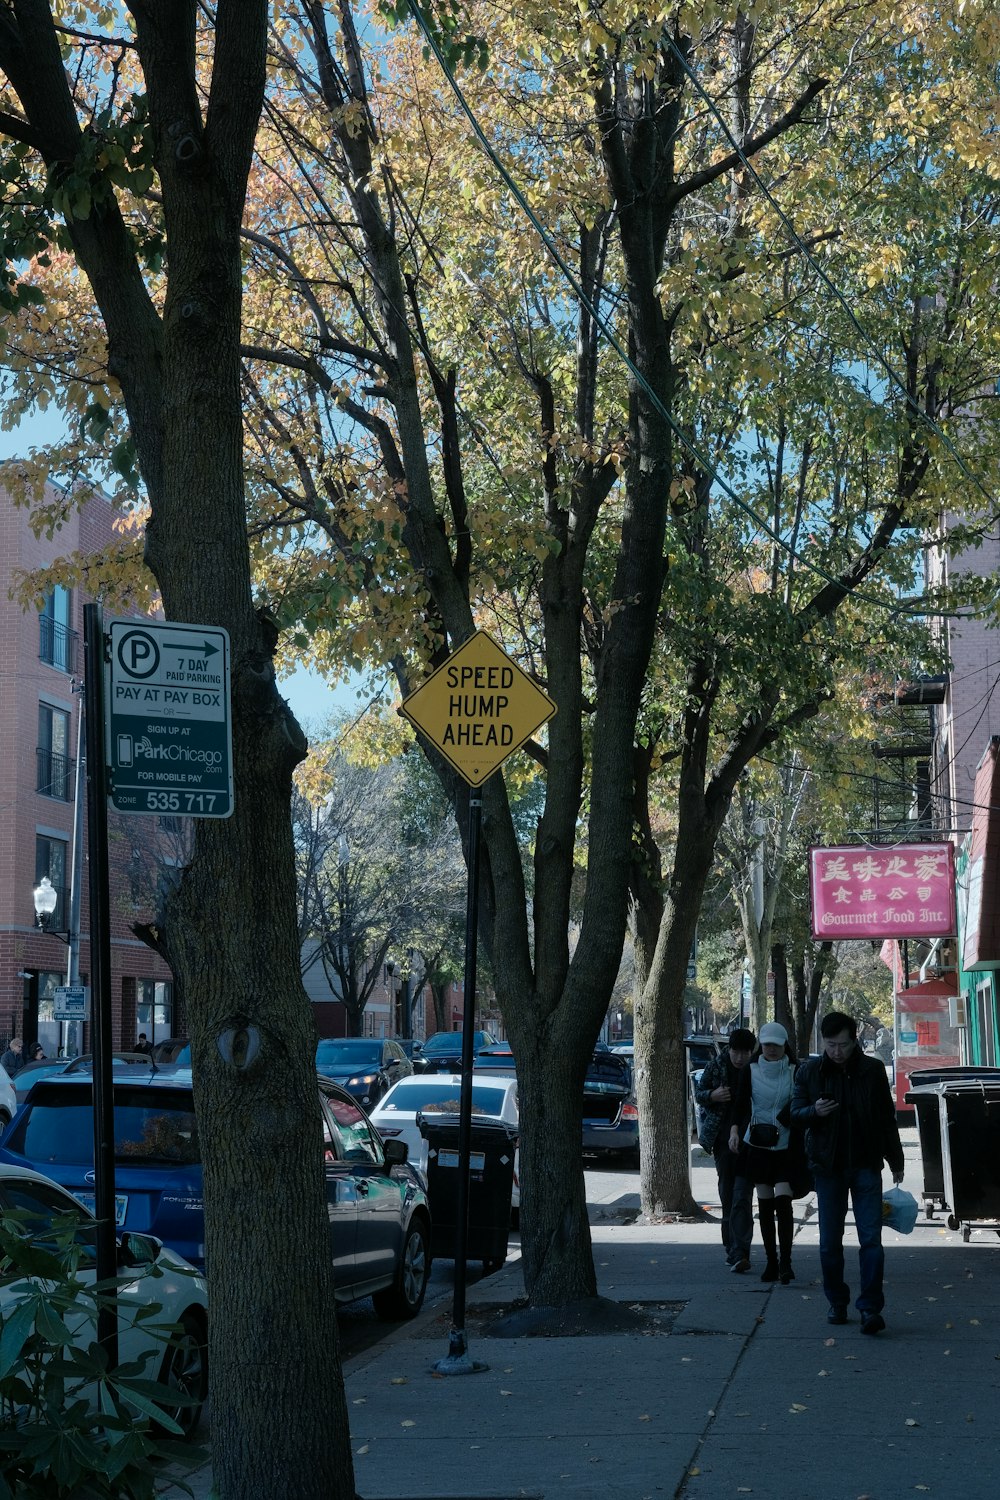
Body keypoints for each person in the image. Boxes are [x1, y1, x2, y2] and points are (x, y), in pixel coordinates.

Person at [791, 1010, 904, 1335]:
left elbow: (886, 1118)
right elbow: (795, 1114)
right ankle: (837, 1301)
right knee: (829, 1242)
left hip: (866, 1163)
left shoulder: (871, 1070)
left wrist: (895, 1158)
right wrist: (815, 1111)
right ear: (823, 1042)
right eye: (831, 1045)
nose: (837, 1052)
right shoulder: (811, 1071)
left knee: (871, 1240)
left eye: (842, 1045)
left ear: (854, 1041)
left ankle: (870, 1308)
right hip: (828, 1168)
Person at [731, 1021, 800, 1286]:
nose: (771, 1049)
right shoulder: (751, 1069)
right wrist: (735, 1131)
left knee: (784, 1203)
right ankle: (771, 1261)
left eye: (776, 1045)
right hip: (757, 1146)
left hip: (785, 1146)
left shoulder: (795, 1071)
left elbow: (802, 1100)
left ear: (784, 1046)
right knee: (765, 1204)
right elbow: (740, 1104)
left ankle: (786, 1263)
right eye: (767, 1044)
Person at [695, 1028, 756, 1272]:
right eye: (735, 1051)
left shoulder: (756, 1070)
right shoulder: (716, 1066)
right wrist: (713, 1095)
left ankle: (741, 1250)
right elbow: (699, 1095)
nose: (739, 1058)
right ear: (728, 1049)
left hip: (750, 1140)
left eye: (744, 1053)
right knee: (727, 1192)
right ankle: (731, 1248)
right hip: (721, 1139)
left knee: (743, 1193)